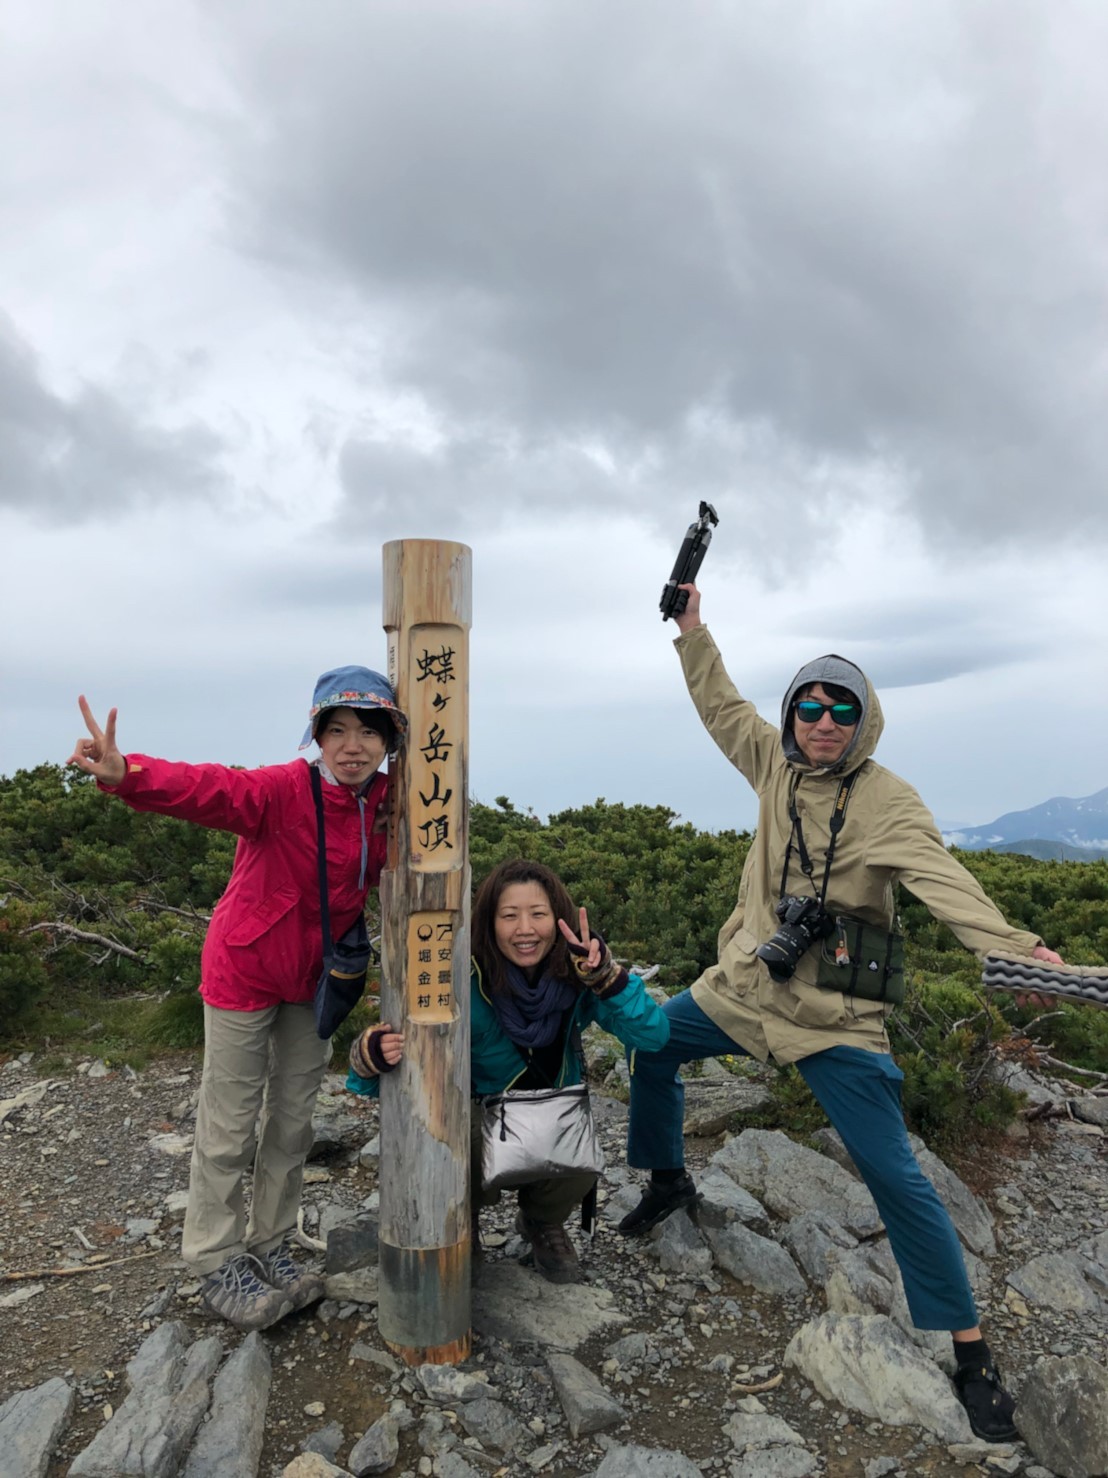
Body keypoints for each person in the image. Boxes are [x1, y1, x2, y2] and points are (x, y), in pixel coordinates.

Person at [619, 583, 1065, 1444]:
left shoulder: (889, 802)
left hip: (835, 1018)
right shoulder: (773, 764)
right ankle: (668, 1177)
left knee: (896, 1176)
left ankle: (970, 1352)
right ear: (792, 718)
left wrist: (1015, 948)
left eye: (841, 711)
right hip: (746, 987)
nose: (823, 722)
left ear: (866, 723)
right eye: (809, 708)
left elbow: (943, 882)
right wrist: (691, 629)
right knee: (653, 1043)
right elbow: (721, 707)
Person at [68, 666, 406, 1332]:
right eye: (335, 729)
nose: (352, 745)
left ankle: (271, 1243)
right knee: (229, 1123)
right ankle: (215, 1258)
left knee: (292, 1121)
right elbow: (209, 789)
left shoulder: (394, 803)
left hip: (316, 982)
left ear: (389, 739)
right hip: (244, 970)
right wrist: (125, 773)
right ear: (316, 735)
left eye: (369, 730)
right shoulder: (284, 790)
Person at [347, 858, 669, 1283]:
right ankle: (465, 1220)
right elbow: (377, 1080)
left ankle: (540, 1220)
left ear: (559, 920)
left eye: (537, 915)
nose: (525, 930)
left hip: (548, 1119)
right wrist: (369, 1056)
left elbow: (653, 1036)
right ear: (489, 921)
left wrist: (608, 978)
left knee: (578, 1147)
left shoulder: (577, 976)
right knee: (447, 1132)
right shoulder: (462, 977)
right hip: (481, 1125)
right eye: (509, 916)